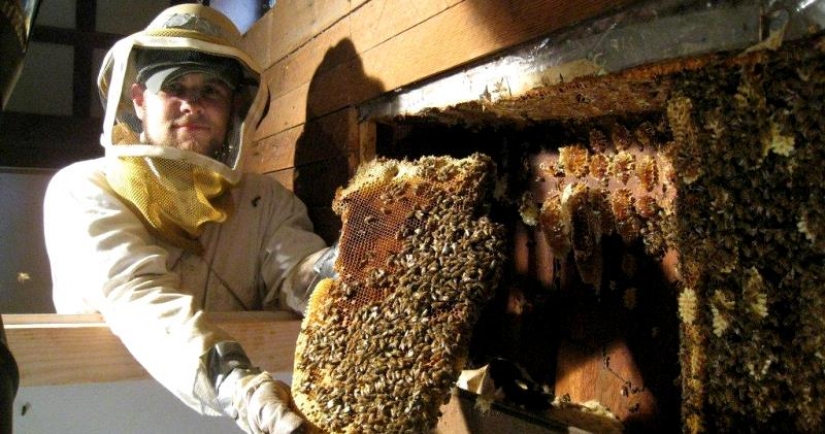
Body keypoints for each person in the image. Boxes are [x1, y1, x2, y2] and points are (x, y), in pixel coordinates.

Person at [42, 5, 336, 434]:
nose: (192, 105)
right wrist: (238, 386)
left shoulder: (265, 201)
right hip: (108, 416)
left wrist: (343, 269)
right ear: (138, 100)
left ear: (234, 109)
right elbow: (135, 292)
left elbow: (297, 270)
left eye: (212, 91)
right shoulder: (83, 188)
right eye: (174, 85)